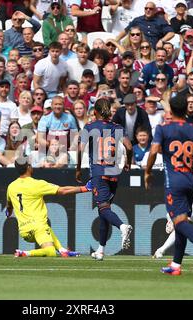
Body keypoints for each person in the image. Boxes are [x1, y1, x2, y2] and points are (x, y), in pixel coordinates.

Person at [144, 94, 193, 276]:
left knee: (179, 222)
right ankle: (176, 265)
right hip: (190, 181)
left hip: (174, 181)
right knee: (182, 223)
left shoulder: (163, 129)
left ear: (170, 109)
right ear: (186, 109)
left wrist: (147, 172)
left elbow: (153, 151)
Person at [76, 98, 134, 261]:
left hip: (99, 171)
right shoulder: (118, 128)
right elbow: (129, 147)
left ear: (95, 112)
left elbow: (80, 150)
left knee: (103, 208)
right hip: (113, 172)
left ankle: (123, 227)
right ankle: (100, 250)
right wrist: (128, 163)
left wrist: (78, 169)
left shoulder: (90, 127)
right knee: (105, 210)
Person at [6, 158, 87, 257]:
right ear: (28, 168)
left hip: (24, 231)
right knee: (50, 252)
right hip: (38, 227)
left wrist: (8, 212)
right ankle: (24, 253)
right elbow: (63, 190)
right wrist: (84, 188)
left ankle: (62, 250)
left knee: (46, 227)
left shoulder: (11, 186)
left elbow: (9, 207)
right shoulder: (37, 184)